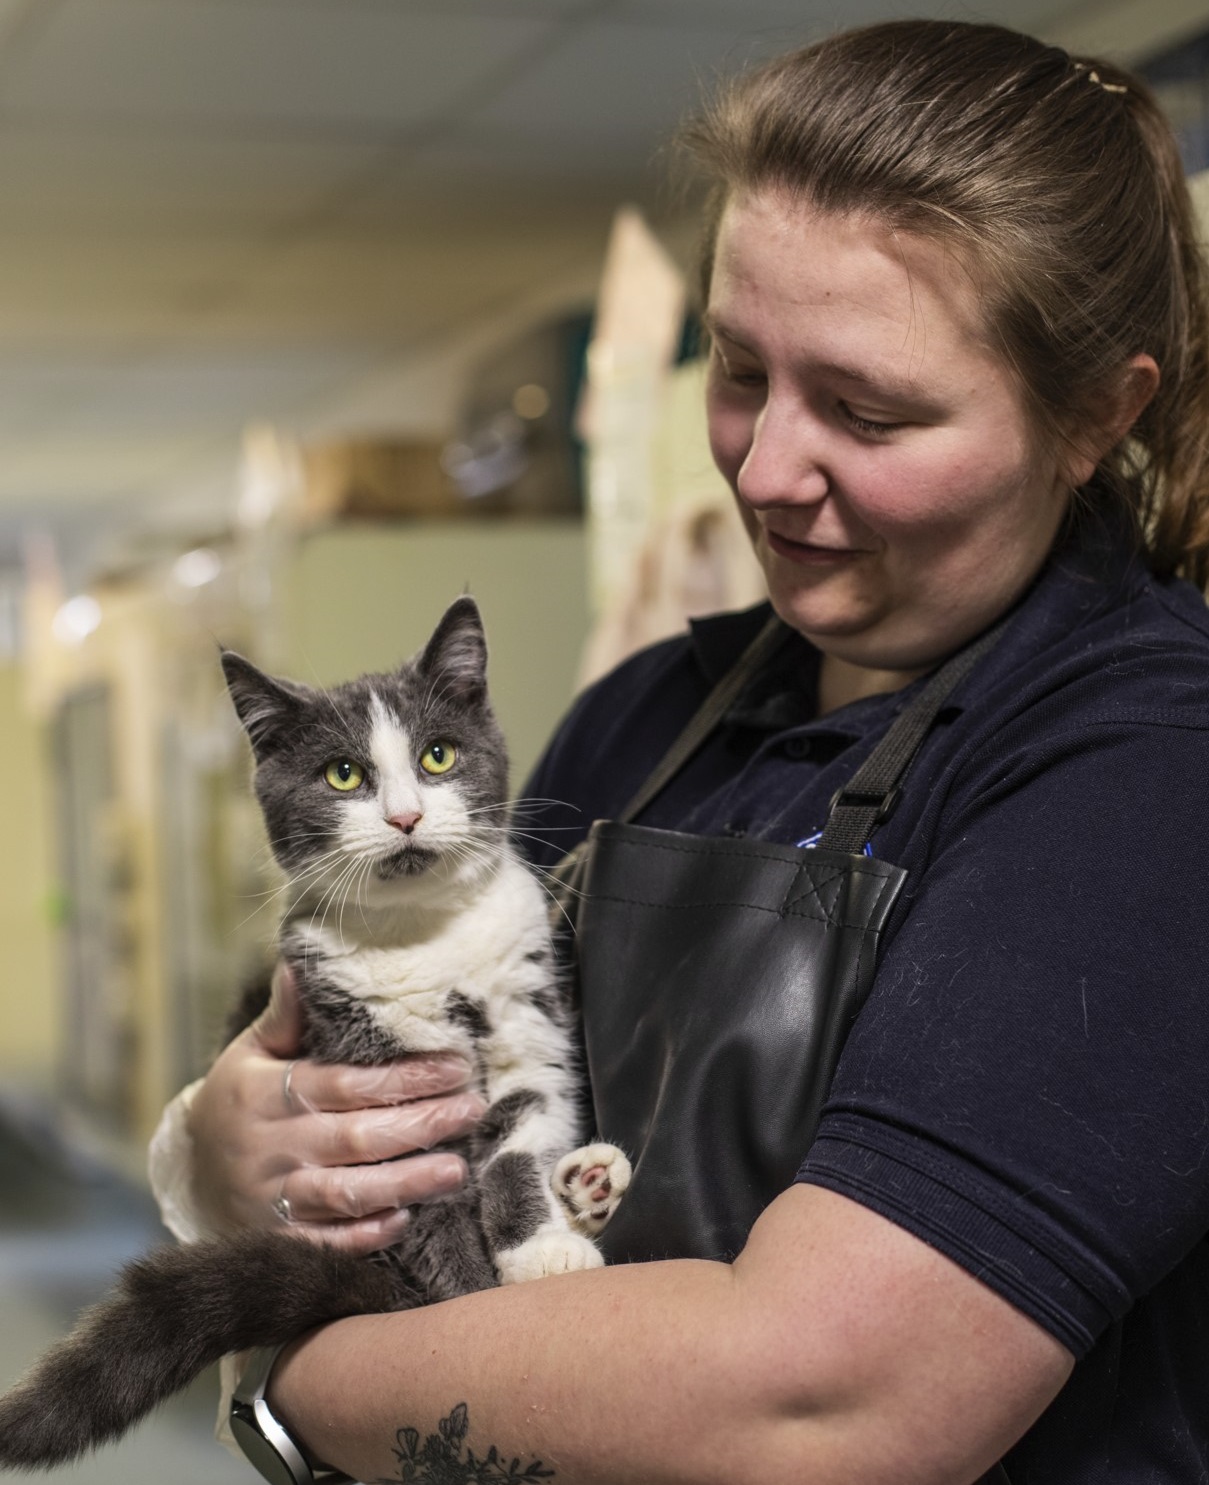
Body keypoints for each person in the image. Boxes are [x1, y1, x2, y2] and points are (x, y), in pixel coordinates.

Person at [153, 19, 1209, 1483]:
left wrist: (298, 1387)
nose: (765, 470)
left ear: (1098, 414)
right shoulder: (652, 715)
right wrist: (216, 1150)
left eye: (866, 407)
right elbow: (388, 1080)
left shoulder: (1143, 773)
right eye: (735, 369)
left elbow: (823, 1402)